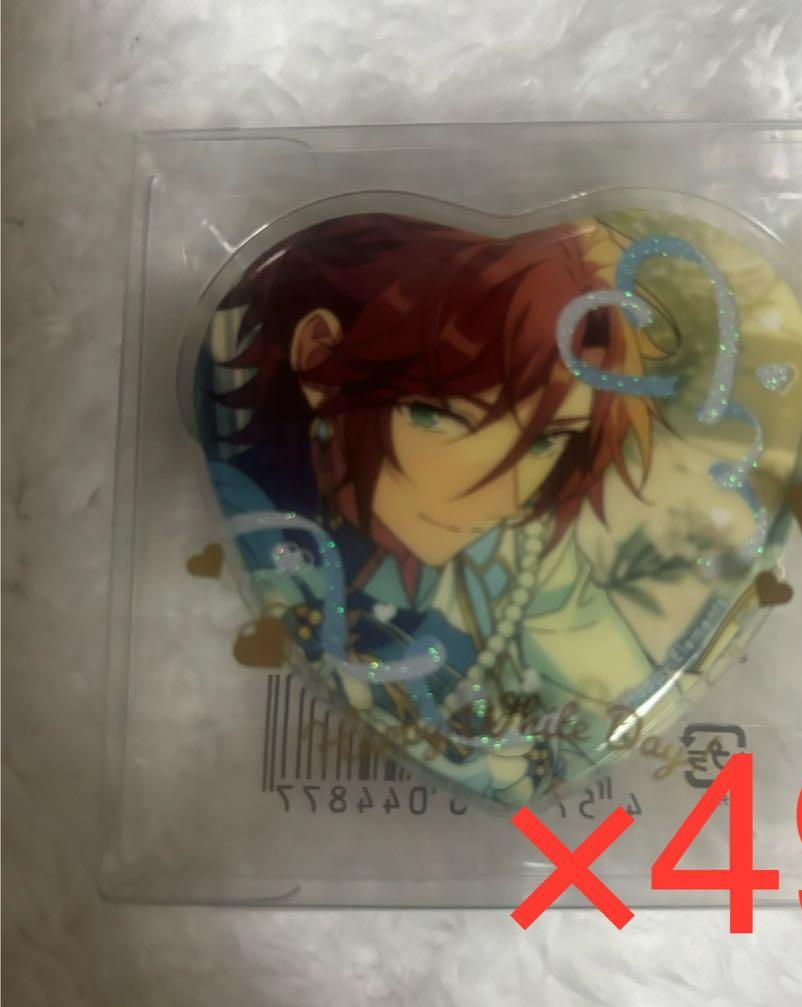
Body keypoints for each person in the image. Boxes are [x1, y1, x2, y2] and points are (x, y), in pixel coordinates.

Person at [195, 212, 683, 808]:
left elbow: (607, 690)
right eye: (445, 417)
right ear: (319, 355)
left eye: (548, 440)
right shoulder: (255, 523)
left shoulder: (517, 550)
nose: (499, 496)